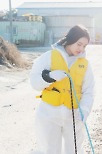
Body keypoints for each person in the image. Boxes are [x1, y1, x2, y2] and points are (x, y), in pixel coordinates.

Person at [30, 25, 95, 154]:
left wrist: (84, 111)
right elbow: (34, 81)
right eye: (79, 44)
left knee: (74, 151)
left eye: (84, 46)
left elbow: (89, 91)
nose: (81, 49)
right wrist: (50, 77)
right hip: (49, 114)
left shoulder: (85, 64)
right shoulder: (49, 56)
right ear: (71, 39)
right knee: (50, 150)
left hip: (74, 116)